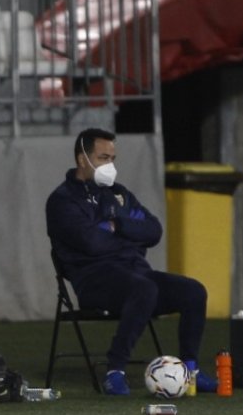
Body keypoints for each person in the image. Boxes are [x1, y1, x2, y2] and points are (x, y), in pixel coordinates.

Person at [46, 128, 217, 395]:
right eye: (103, 157)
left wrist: (116, 225)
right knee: (143, 288)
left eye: (113, 158)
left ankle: (190, 370)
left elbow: (153, 231)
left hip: (135, 275)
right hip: (94, 281)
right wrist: (128, 237)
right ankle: (115, 371)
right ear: (82, 159)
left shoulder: (119, 194)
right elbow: (91, 244)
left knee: (194, 291)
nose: (110, 165)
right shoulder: (62, 201)